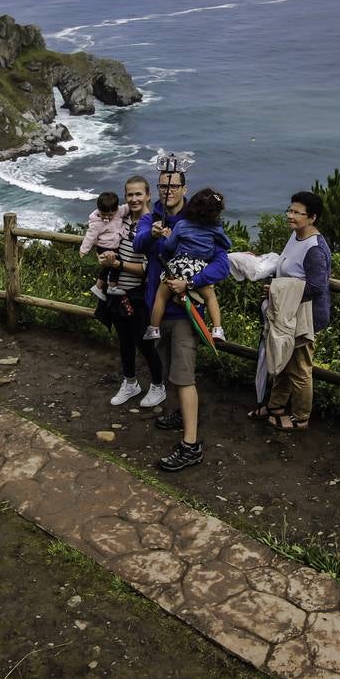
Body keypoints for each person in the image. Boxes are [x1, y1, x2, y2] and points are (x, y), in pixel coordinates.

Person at [135, 154, 230, 472]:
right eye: (162, 185)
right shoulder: (153, 218)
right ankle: (180, 413)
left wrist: (190, 281)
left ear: (184, 187)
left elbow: (222, 264)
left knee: (184, 376)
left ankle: (191, 445)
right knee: (169, 368)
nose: (168, 191)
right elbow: (138, 244)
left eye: (173, 185)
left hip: (186, 313)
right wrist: (154, 235)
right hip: (158, 309)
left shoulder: (201, 223)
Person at [251, 191, 332, 431]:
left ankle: (301, 417)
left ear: (312, 218)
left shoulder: (315, 248)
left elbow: (317, 286)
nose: (290, 215)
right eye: (290, 210)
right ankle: (276, 406)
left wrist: (276, 289)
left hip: (304, 317)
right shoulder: (297, 236)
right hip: (287, 313)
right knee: (283, 361)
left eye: (297, 213)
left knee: (300, 368)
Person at [95, 176, 167, 408]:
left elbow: (147, 269)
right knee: (124, 342)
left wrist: (117, 265)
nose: (134, 199)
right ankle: (130, 383)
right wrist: (105, 258)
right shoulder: (121, 219)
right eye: (130, 195)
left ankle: (158, 386)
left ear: (148, 196)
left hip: (138, 295)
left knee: (144, 344)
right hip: (117, 294)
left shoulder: (152, 226)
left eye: (138, 194)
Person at [143, 187, 230, 342]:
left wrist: (168, 237)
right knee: (210, 297)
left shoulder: (182, 225)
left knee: (161, 296)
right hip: (198, 268)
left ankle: (154, 328)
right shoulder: (215, 229)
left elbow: (169, 247)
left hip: (178, 265)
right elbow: (226, 244)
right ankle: (217, 329)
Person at [80, 190, 125, 301]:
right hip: (104, 247)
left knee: (107, 268)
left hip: (113, 247)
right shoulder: (96, 223)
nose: (107, 217)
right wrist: (84, 250)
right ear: (99, 210)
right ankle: (112, 286)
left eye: (110, 215)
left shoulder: (119, 212)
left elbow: (126, 208)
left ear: (116, 210)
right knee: (116, 264)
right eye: (103, 214)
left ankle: (99, 287)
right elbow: (89, 236)